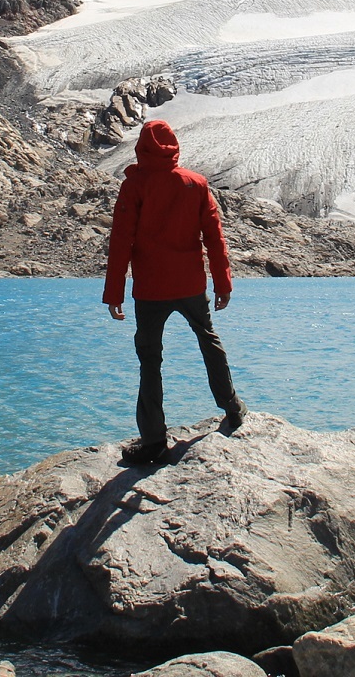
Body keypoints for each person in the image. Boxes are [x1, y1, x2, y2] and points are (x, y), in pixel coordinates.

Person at [104, 119, 246, 466]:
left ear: (142, 146)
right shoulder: (195, 184)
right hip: (190, 284)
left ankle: (154, 441)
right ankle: (232, 406)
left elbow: (121, 241)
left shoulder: (135, 185)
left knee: (150, 360)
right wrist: (223, 282)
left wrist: (114, 292)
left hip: (151, 289)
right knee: (207, 337)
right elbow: (214, 237)